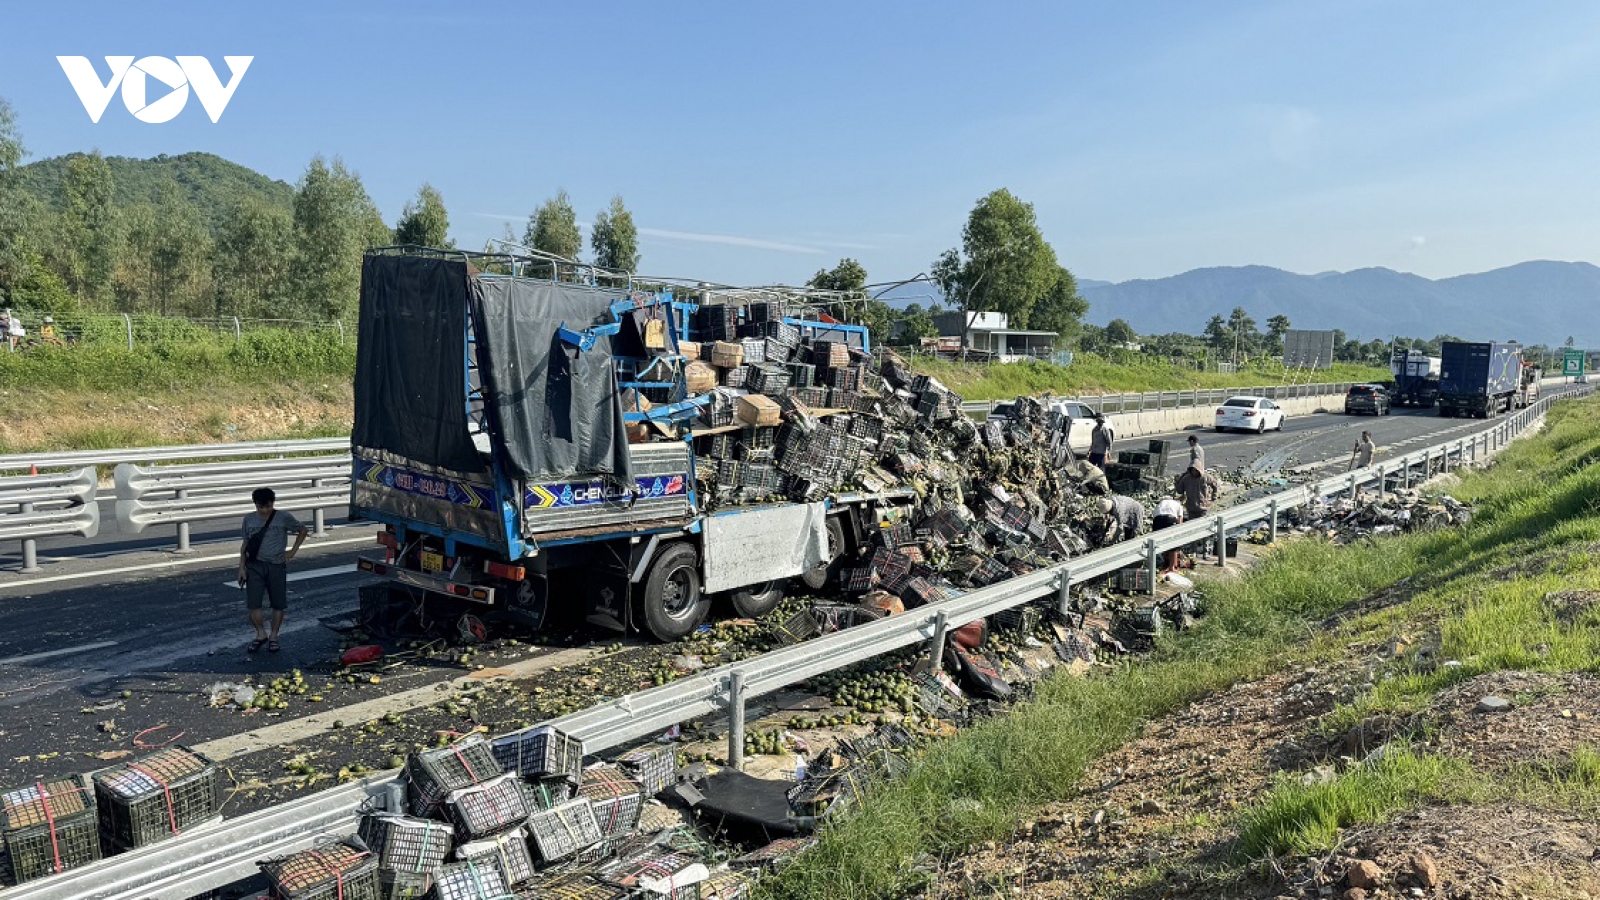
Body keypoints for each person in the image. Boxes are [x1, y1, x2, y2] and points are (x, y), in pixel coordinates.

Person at [238, 487, 309, 653]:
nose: (264, 511)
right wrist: (241, 567)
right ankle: (260, 633)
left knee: (278, 603)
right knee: (253, 603)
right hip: (254, 565)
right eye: (260, 507)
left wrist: (293, 551)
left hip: (276, 565)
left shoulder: (283, 517)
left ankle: (274, 636)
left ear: (273, 504)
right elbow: (245, 545)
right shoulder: (248, 519)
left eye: (267, 507)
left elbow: (303, 530)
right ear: (255, 505)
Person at [1153, 494, 1187, 572]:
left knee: (1159, 543)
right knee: (1173, 544)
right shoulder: (1177, 504)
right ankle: (1172, 567)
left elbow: (1154, 517)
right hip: (1170, 519)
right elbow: (1180, 521)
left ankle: (1162, 563)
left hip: (1157, 520)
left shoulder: (1160, 504)